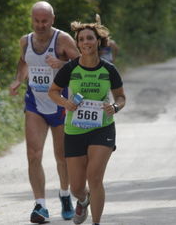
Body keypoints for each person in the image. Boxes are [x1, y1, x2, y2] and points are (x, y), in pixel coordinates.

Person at [48, 21, 125, 225]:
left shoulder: (109, 69)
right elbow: (53, 91)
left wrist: (114, 107)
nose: (85, 42)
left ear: (98, 41)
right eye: (81, 39)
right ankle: (83, 199)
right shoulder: (70, 68)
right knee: (76, 187)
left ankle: (96, 222)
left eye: (89, 38)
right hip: (75, 129)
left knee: (95, 177)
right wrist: (66, 103)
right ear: (78, 44)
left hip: (102, 128)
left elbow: (121, 97)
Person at [9, 1, 80, 223]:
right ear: (32, 19)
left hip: (60, 103)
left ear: (52, 19)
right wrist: (18, 80)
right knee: (33, 154)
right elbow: (23, 63)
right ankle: (40, 206)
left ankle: (65, 194)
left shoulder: (63, 39)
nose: (40, 25)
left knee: (61, 156)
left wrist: (61, 64)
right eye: (37, 21)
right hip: (35, 104)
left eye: (44, 21)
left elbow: (82, 64)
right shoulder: (25, 41)